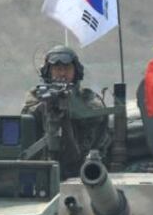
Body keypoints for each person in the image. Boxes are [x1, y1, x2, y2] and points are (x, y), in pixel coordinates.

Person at [22, 45, 110, 179]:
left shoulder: (87, 97)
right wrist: (48, 106)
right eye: (57, 69)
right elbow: (28, 117)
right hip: (42, 168)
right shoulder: (36, 95)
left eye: (67, 68)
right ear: (48, 72)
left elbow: (98, 115)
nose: (62, 74)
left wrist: (71, 107)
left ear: (76, 71)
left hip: (82, 169)